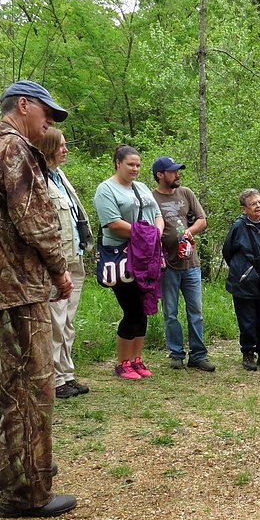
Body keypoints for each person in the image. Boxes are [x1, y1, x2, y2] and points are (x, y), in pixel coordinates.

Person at [0, 79, 76, 519]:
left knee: (12, 389)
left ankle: (15, 472)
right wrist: (59, 269)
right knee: (32, 388)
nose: (49, 121)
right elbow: (34, 222)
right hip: (18, 285)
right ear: (23, 105)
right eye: (46, 111)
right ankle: (28, 492)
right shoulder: (14, 151)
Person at [94, 145, 164, 380]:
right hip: (122, 256)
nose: (135, 169)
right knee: (131, 309)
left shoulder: (142, 188)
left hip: (147, 256)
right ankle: (122, 363)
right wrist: (145, 234)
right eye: (130, 164)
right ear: (117, 163)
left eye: (138, 165)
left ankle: (137, 359)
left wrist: (155, 234)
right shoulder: (106, 189)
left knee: (144, 308)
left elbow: (157, 215)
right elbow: (112, 223)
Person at [34, 126, 92, 399]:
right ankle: (55, 379)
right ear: (47, 147)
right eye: (61, 145)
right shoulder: (38, 179)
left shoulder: (59, 176)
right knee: (55, 323)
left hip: (74, 257)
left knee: (67, 322)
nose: (65, 150)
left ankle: (66, 374)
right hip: (56, 264)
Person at [151, 156, 214, 372]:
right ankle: (176, 353)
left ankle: (198, 355)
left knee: (195, 310)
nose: (177, 175)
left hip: (191, 264)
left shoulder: (186, 192)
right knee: (170, 312)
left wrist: (190, 231)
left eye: (178, 171)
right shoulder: (151, 198)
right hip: (167, 265)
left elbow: (202, 219)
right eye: (173, 171)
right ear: (160, 174)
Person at [222, 189, 260, 371]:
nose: (258, 206)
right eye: (253, 203)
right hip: (244, 282)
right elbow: (227, 251)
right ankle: (248, 353)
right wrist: (243, 270)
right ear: (244, 208)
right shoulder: (238, 226)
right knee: (247, 321)